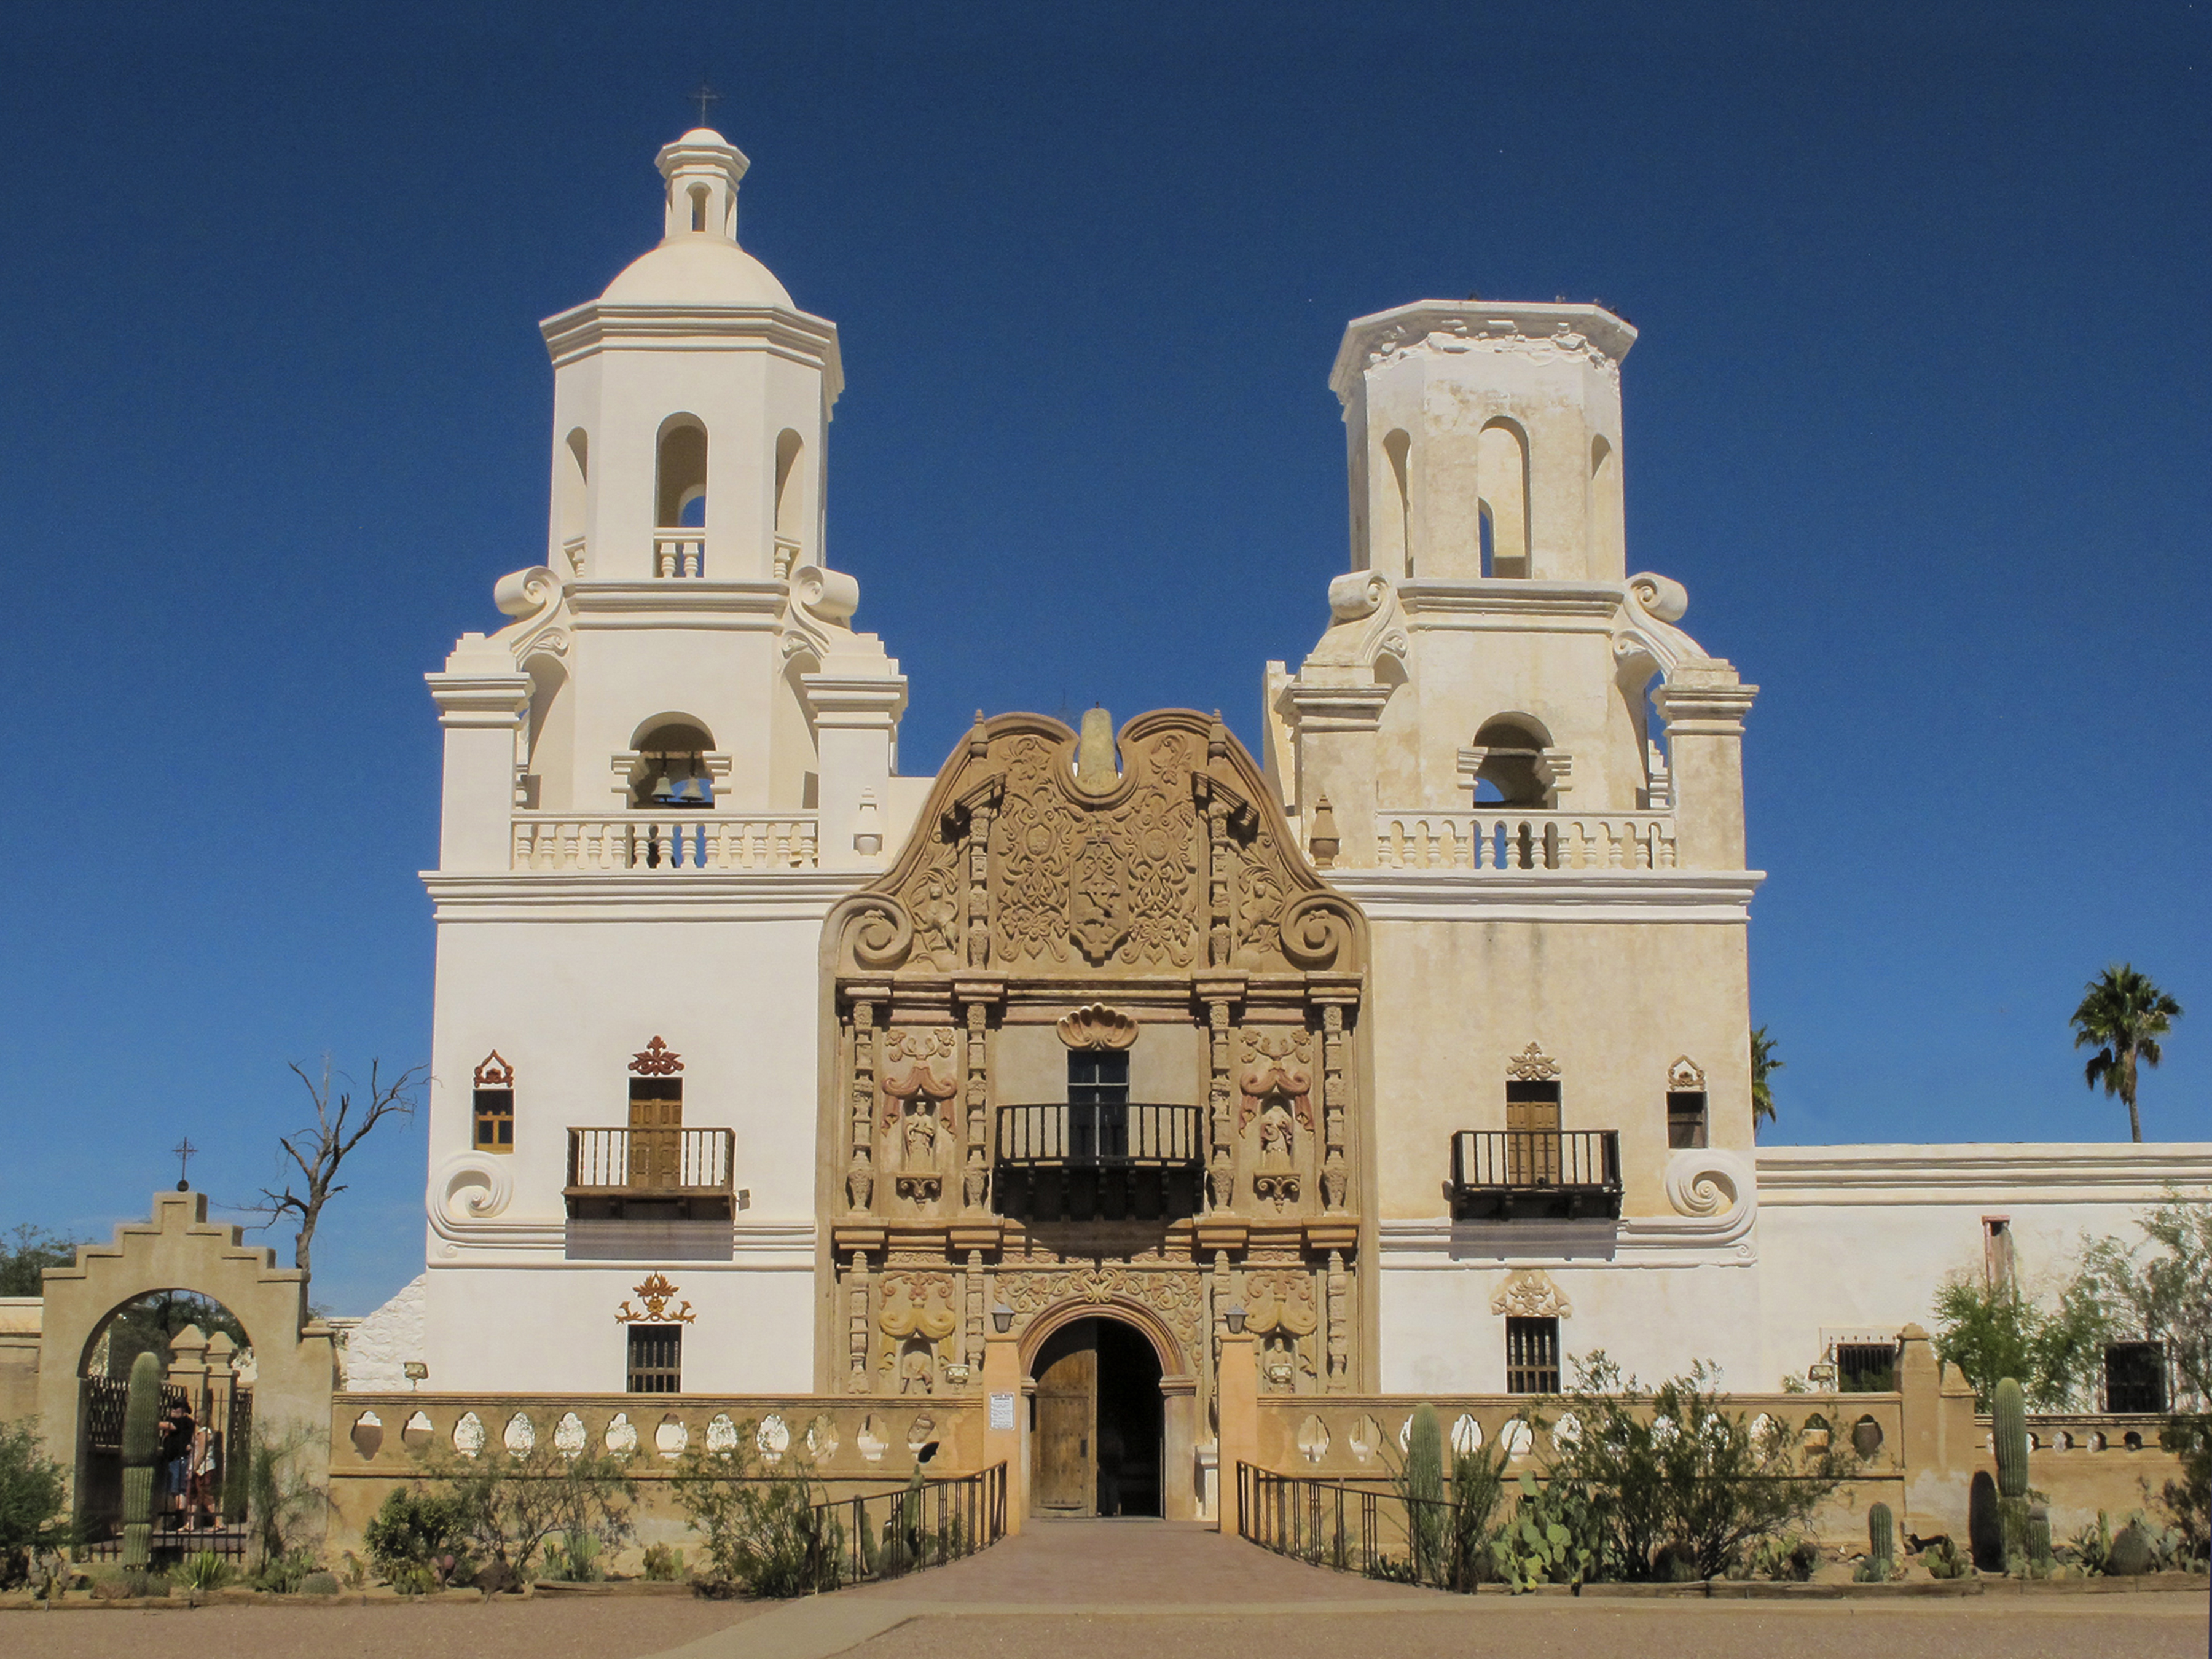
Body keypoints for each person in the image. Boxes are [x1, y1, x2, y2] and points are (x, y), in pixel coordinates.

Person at [158, 1400, 195, 1531]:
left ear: (183, 1411)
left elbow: (169, 1426)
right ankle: (178, 1519)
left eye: (175, 1409)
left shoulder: (185, 1422)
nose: (172, 1412)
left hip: (179, 1460)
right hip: (173, 1459)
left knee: (179, 1490)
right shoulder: (181, 1421)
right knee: (175, 1491)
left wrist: (151, 1422)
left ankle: (179, 1520)